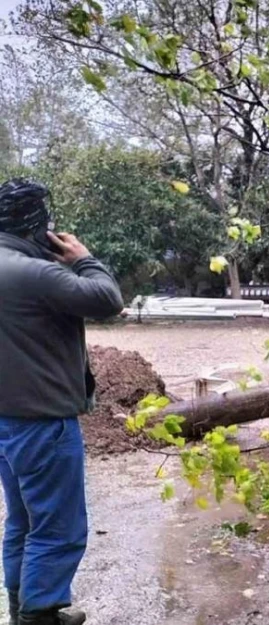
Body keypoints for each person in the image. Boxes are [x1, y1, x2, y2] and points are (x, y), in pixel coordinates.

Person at [0, 179, 124, 625]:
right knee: (57, 528)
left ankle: (20, 607)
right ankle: (39, 615)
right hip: (42, 422)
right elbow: (108, 300)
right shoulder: (35, 272)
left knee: (23, 521)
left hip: (4, 421)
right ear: (38, 225)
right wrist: (83, 259)